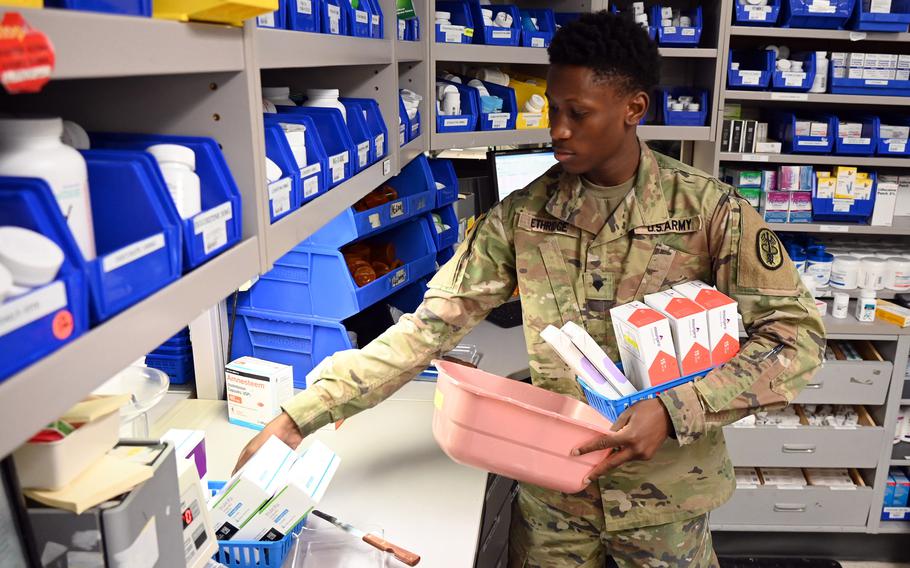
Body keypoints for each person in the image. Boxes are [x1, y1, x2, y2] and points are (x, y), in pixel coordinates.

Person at [235, 11, 826, 567]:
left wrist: (675, 410)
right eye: (552, 108)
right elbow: (429, 327)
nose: (558, 129)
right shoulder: (524, 215)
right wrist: (299, 417)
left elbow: (795, 340)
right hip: (554, 500)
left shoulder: (709, 211)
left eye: (579, 112)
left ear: (633, 108)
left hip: (666, 503)